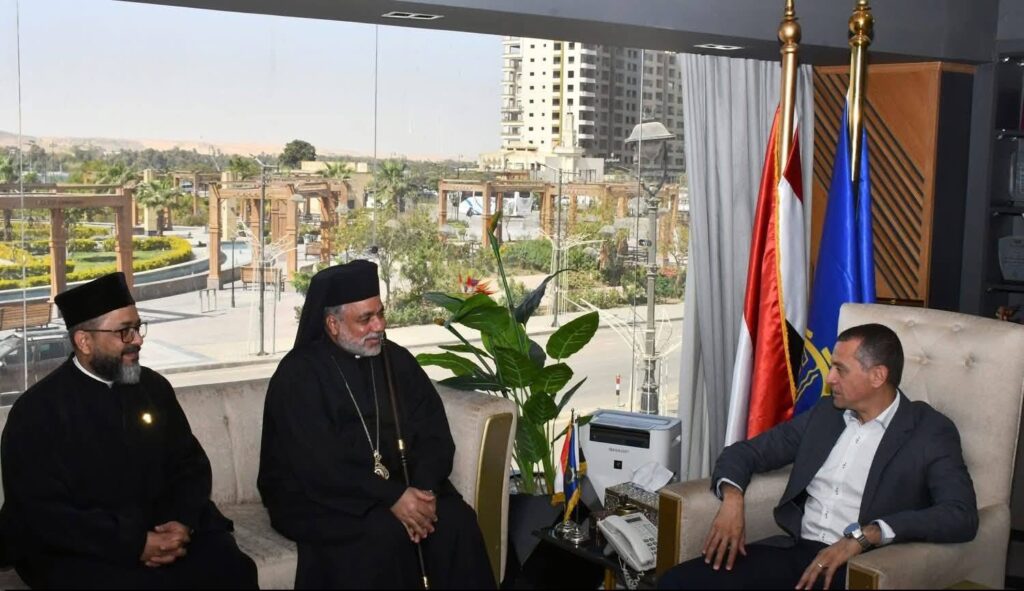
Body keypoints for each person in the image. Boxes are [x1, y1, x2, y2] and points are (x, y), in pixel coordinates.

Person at [659, 323, 978, 590]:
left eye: (840, 369)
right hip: (795, 552)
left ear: (877, 376)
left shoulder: (929, 430)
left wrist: (869, 534)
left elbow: (960, 515)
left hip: (859, 567)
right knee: (676, 583)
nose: (829, 379)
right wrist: (732, 499)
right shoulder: (826, 415)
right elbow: (746, 452)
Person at [0, 272, 258, 589]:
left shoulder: (153, 388)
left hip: (158, 525)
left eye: (137, 327)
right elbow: (42, 512)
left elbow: (189, 466)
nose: (137, 340)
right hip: (78, 546)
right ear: (84, 341)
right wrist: (134, 543)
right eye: (124, 331)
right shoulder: (37, 411)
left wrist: (181, 522)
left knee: (230, 565)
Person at [258, 260, 495, 589]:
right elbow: (318, 466)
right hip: (321, 498)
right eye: (365, 319)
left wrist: (422, 492)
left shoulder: (396, 361)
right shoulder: (299, 375)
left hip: (403, 486)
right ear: (332, 324)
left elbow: (434, 433)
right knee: (382, 535)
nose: (379, 326)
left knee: (457, 521)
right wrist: (393, 497)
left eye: (380, 314)